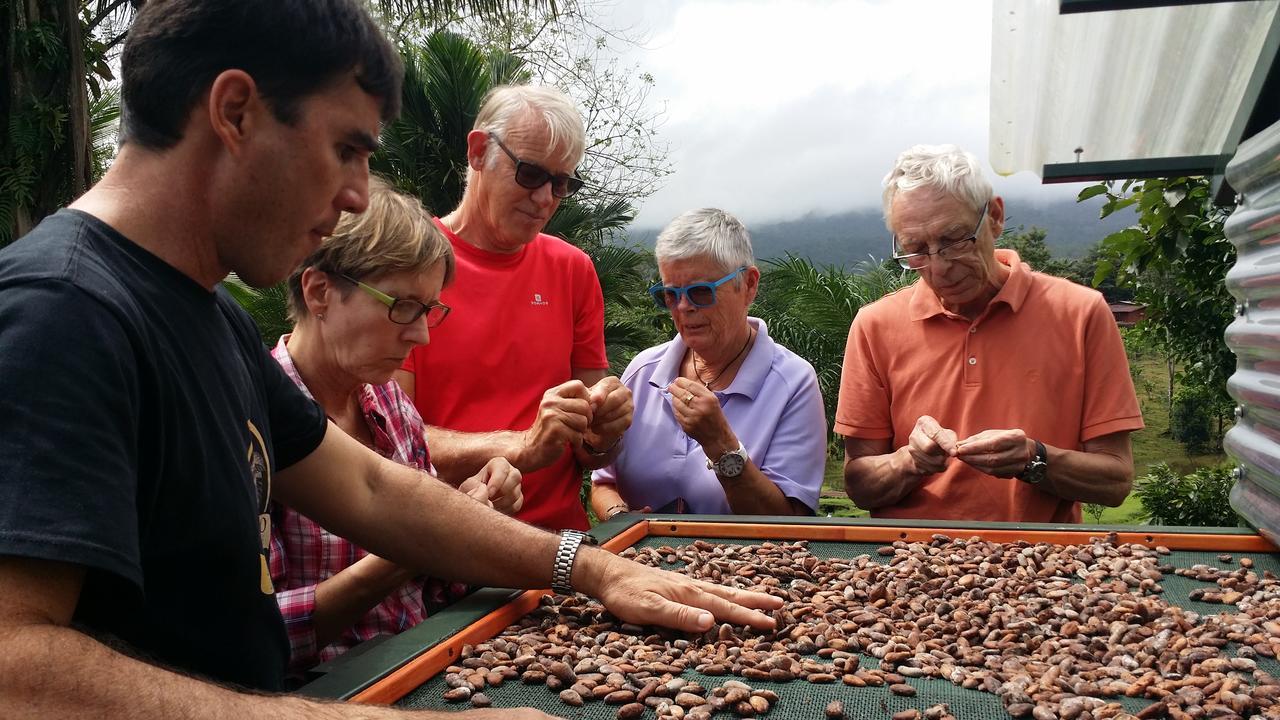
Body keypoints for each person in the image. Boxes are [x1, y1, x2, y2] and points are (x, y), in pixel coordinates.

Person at [0, 2, 781, 717]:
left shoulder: (204, 317)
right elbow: (15, 665)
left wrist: (592, 567)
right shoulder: (62, 313)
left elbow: (375, 487)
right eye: (346, 150)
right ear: (234, 112)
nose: (355, 195)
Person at [269, 176, 525, 679]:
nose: (422, 334)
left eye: (429, 310)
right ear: (320, 291)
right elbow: (255, 631)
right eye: (402, 306)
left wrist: (472, 508)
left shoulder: (387, 401)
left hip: (428, 664)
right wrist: (414, 544)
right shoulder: (250, 417)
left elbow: (431, 590)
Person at [836, 144, 1144, 523]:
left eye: (954, 239)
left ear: (994, 217)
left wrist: (1034, 458)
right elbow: (860, 485)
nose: (939, 266)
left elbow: (1115, 481)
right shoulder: (875, 326)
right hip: (908, 561)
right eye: (916, 250)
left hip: (1040, 561)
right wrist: (909, 461)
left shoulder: (1080, 313)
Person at [394, 85, 632, 532]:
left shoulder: (573, 270)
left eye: (561, 183)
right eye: (529, 173)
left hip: (561, 547)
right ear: (479, 151)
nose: (545, 198)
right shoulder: (408, 263)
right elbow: (389, 441)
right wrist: (521, 445)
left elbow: (590, 448)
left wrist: (604, 433)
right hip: (444, 546)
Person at [590, 209, 827, 519]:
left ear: (749, 285)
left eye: (701, 292)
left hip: (743, 566)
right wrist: (623, 520)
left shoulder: (792, 383)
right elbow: (604, 483)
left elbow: (790, 520)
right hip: (640, 563)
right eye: (670, 295)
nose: (684, 307)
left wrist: (721, 446)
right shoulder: (644, 371)